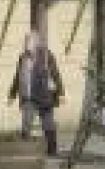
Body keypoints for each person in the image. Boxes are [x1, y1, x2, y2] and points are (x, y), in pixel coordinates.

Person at [8, 29, 64, 157]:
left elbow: (56, 74)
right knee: (26, 124)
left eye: (29, 41)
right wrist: (12, 94)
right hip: (28, 97)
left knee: (48, 124)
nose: (26, 43)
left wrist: (61, 93)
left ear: (36, 43)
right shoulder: (22, 57)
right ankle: (26, 151)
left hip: (44, 96)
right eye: (26, 41)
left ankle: (52, 151)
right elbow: (17, 76)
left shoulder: (46, 55)